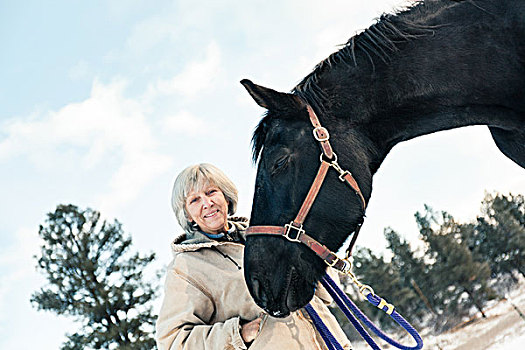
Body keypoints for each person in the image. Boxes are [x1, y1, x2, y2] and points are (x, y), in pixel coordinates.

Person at [156, 163, 351, 349]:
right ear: (188, 215)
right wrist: (236, 334)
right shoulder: (186, 267)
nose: (207, 203)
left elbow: (324, 296)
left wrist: (315, 258)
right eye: (194, 200)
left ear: (226, 196)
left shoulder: (272, 235)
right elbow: (174, 342)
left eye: (211, 192)